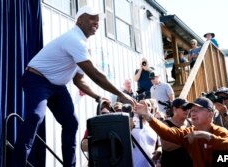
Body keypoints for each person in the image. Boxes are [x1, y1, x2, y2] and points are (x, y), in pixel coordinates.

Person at [13, 5, 136, 167]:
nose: (96, 23)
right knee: (36, 116)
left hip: (57, 86)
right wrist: (122, 94)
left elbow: (79, 80)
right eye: (92, 19)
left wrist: (98, 97)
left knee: (71, 122)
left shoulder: (82, 46)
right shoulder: (74, 39)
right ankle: (16, 163)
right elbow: (96, 76)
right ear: (80, 20)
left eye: (98, 21)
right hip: (37, 78)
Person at [135, 97, 228, 167]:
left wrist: (207, 136)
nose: (192, 113)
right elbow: (168, 133)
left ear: (210, 114)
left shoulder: (220, 131)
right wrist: (148, 116)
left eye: (198, 110)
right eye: (192, 110)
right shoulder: (190, 132)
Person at [160, 98, 193, 167]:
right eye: (184, 108)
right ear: (174, 109)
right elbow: (167, 145)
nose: (187, 110)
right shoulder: (166, 124)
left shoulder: (191, 122)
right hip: (171, 163)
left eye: (188, 107)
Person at [131, 98, 162, 167]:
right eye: (141, 104)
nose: (144, 106)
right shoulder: (131, 123)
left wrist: (159, 151)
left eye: (148, 105)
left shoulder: (155, 125)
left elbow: (160, 145)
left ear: (151, 109)